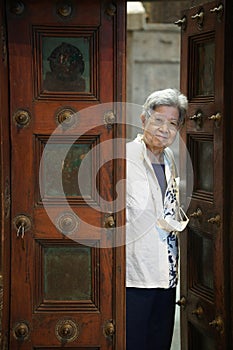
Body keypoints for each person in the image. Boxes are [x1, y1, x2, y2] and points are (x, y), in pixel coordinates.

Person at [126, 88, 189, 350]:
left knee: (160, 341)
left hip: (167, 271)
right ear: (144, 120)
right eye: (158, 120)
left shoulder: (170, 157)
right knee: (133, 342)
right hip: (134, 272)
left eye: (172, 123)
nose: (165, 129)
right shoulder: (126, 156)